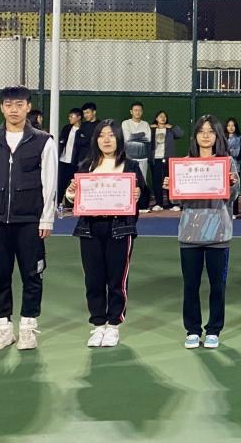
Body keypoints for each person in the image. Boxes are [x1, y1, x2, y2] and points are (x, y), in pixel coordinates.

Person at [0, 86, 57, 352]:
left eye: (19, 104)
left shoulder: (44, 141)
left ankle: (28, 327)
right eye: (8, 105)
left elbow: (50, 182)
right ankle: (3, 328)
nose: (14, 110)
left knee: (32, 274)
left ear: (28, 107)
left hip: (29, 219)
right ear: (1, 108)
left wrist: (46, 219)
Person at [63, 119, 148, 348]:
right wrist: (71, 192)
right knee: (93, 279)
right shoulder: (86, 166)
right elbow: (71, 200)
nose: (106, 139)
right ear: (96, 140)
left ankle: (113, 325)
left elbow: (144, 198)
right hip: (90, 229)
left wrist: (138, 194)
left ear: (119, 139)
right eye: (102, 135)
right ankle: (98, 325)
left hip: (120, 229)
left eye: (111, 135)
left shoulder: (130, 166)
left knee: (117, 279)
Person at [173, 115, 240, 349]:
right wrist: (171, 187)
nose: (205, 135)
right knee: (190, 286)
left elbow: (233, 196)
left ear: (217, 136)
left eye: (211, 131)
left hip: (218, 235)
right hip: (189, 234)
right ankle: (192, 330)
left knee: (217, 287)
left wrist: (232, 184)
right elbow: (177, 199)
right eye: (201, 131)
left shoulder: (227, 163)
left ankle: (214, 330)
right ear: (195, 136)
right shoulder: (184, 164)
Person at [150, 111, 184, 212]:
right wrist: (149, 127)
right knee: (157, 181)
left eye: (164, 116)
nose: (163, 118)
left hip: (168, 158)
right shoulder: (152, 130)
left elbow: (180, 134)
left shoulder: (170, 130)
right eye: (160, 116)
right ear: (156, 118)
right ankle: (159, 203)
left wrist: (172, 127)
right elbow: (143, 134)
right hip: (155, 158)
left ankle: (172, 203)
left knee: (170, 181)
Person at [121, 102, 152, 206]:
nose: (138, 112)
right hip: (129, 158)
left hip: (142, 158)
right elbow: (127, 138)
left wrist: (134, 136)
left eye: (140, 110)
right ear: (131, 112)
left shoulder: (145, 124)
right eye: (135, 110)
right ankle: (128, 204)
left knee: (142, 181)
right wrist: (141, 135)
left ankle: (142, 205)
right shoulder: (125, 123)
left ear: (142, 112)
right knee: (128, 181)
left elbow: (148, 138)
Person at [57, 108, 85, 212]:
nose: (69, 118)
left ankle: (74, 206)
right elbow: (61, 141)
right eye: (69, 116)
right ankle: (58, 205)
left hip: (76, 163)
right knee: (61, 184)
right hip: (64, 161)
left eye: (72, 116)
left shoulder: (84, 129)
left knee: (75, 185)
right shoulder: (66, 128)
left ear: (79, 117)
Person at [224, 118, 241, 217]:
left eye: (233, 125)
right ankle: (224, 209)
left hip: (235, 166)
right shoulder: (222, 138)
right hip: (223, 167)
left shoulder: (239, 138)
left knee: (234, 188)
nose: (231, 127)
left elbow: (238, 152)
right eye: (229, 125)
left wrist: (228, 151)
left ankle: (234, 211)